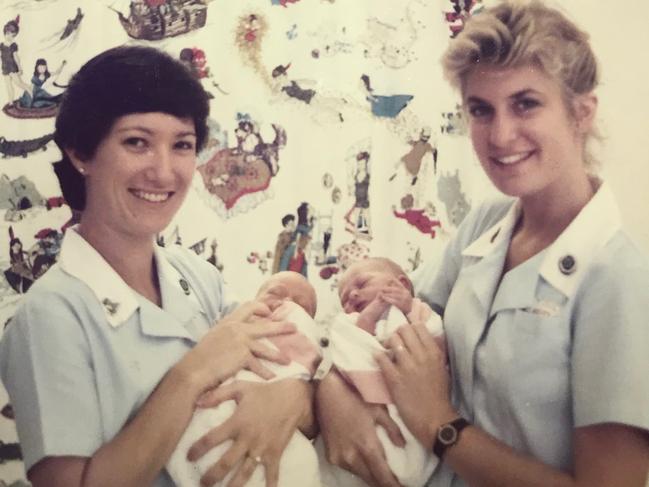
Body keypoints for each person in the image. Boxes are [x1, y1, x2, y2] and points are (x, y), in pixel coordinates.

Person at [316, 1, 649, 486]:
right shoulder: (487, 225)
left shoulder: (619, 281)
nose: (500, 134)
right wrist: (333, 394)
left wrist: (440, 425)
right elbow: (402, 327)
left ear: (582, 112)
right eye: (481, 109)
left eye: (526, 103)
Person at [0, 45, 315, 487]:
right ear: (81, 153)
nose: (164, 172)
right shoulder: (50, 315)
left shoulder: (196, 276)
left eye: (182, 145)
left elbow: (284, 369)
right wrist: (192, 373)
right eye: (137, 142)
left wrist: (293, 396)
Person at [169, 271, 321, 487]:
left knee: (303, 465)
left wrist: (302, 389)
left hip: (276, 437)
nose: (287, 303)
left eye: (302, 306)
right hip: (207, 415)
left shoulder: (310, 349)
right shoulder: (227, 325)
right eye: (275, 293)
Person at [316, 257, 444, 487]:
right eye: (344, 298)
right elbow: (354, 342)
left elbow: (435, 337)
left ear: (401, 284)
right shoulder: (349, 322)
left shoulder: (419, 312)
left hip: (413, 409)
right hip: (362, 403)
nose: (352, 296)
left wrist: (407, 307)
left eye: (362, 284)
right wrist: (372, 311)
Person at [1, 17, 31, 105]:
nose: (9, 36)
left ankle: (30, 90)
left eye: (12, 35)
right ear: (5, 32)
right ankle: (10, 103)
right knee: (8, 86)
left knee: (19, 83)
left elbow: (16, 58)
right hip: (5, 68)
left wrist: (20, 68)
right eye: (8, 33)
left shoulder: (13, 45)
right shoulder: (1, 45)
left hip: (12, 68)